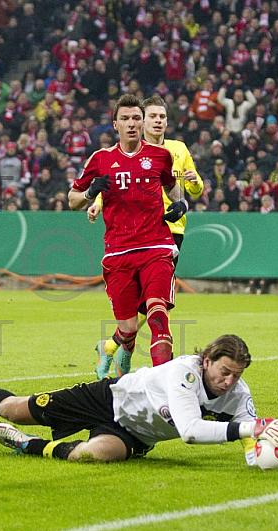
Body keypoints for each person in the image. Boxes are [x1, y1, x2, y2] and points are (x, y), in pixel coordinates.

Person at [0, 334, 278, 464]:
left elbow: (247, 436)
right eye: (224, 372)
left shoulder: (237, 396)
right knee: (16, 409)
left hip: (137, 436)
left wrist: (267, 454)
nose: (228, 382)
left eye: (236, 375)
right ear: (207, 360)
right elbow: (191, 433)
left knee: (89, 455)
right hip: (107, 399)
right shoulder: (184, 371)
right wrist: (255, 427)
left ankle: (30, 446)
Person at [68, 94, 190, 380]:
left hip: (156, 247)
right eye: (125, 119)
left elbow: (173, 189)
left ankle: (166, 389)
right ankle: (110, 348)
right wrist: (89, 193)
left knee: (158, 315)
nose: (132, 124)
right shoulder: (100, 159)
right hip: (118, 253)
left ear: (143, 121)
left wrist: (181, 203)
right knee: (128, 327)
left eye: (137, 118)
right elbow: (72, 199)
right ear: (115, 124)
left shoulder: (160, 156)